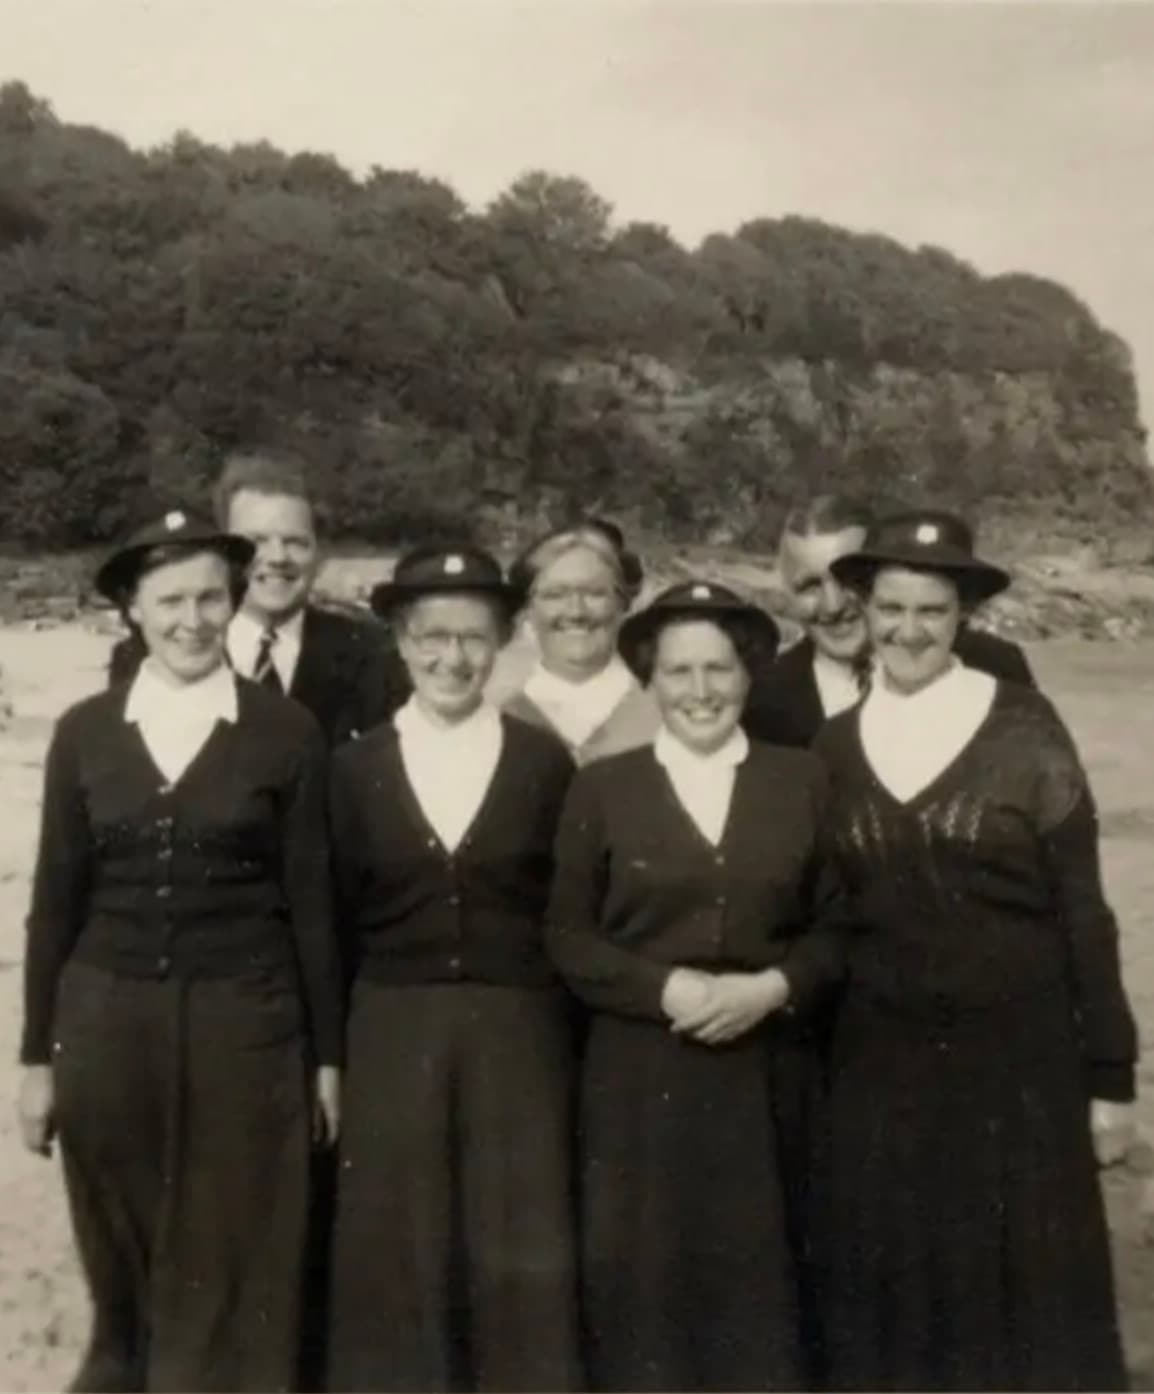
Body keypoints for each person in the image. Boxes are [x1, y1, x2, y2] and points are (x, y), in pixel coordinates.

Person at [16, 509, 341, 1393]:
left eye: (210, 597)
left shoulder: (286, 732)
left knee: (238, 1247)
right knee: (122, 1250)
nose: (193, 619)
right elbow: (53, 902)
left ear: (234, 601)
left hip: (248, 1022)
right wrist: (36, 1057)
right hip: (106, 1025)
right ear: (132, 610)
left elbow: (312, 906)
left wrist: (328, 1061)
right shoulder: (85, 731)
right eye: (170, 601)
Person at [813, 510, 1137, 1391]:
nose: (908, 630)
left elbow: (1086, 913)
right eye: (891, 607)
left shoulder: (1025, 725)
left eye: (932, 610)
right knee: (897, 1297)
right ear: (864, 609)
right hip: (879, 1063)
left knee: (1025, 1299)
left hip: (1018, 1064)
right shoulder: (833, 744)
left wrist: (1111, 1079)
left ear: (963, 619)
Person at [547, 580, 848, 1392]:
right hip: (643, 1082)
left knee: (763, 1291)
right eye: (678, 672)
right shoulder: (603, 787)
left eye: (719, 669)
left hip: (768, 1079)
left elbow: (839, 929)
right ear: (649, 680)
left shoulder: (803, 781)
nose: (701, 691)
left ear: (749, 675)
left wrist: (774, 989)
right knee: (645, 1293)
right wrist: (664, 988)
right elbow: (567, 938)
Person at [326, 544, 582, 1393]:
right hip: (394, 1029)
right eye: (431, 637)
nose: (452, 658)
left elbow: (568, 910)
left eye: (474, 638)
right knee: (400, 1248)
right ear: (401, 642)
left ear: (505, 641)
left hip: (519, 1034)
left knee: (518, 1242)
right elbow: (332, 922)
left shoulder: (543, 763)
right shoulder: (353, 768)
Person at [108, 452, 409, 747]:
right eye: (257, 542)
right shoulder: (148, 654)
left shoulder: (375, 656)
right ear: (225, 554)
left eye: (295, 542)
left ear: (321, 553)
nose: (277, 557)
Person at [744, 494, 1035, 748]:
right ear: (786, 594)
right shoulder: (761, 697)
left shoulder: (993, 666)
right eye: (809, 586)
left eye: (845, 580)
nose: (833, 605)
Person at [505, 522, 657, 763]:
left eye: (594, 593)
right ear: (527, 609)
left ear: (623, 604)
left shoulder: (665, 719)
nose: (576, 611)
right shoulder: (498, 722)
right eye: (555, 595)